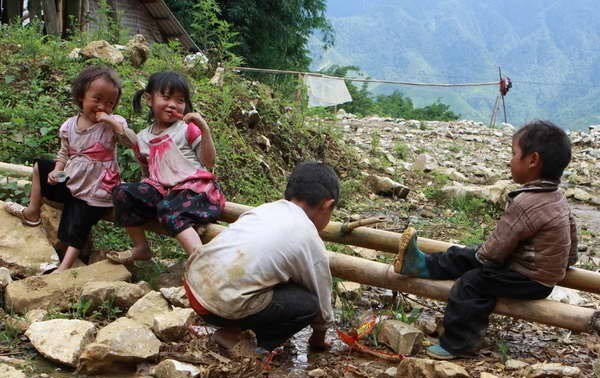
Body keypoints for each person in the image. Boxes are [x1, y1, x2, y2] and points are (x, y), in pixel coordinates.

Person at [394, 120, 578, 360]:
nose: (510, 160)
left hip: (529, 278)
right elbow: (572, 235)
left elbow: (495, 251)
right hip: (538, 276)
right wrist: (566, 263)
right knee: (465, 255)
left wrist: (480, 257)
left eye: (514, 154)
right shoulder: (557, 197)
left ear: (532, 161)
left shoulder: (525, 203)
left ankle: (457, 344)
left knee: (471, 283)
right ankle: (422, 264)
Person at [183, 161, 339, 354]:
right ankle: (243, 342)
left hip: (195, 288)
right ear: (327, 205)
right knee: (308, 304)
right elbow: (321, 301)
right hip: (222, 307)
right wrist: (318, 340)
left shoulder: (265, 209)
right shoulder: (309, 238)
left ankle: (231, 328)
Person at [3, 65, 136, 271]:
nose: (102, 106)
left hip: (97, 187)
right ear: (81, 96)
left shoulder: (113, 124)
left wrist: (111, 122)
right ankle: (32, 211)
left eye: (110, 102)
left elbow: (132, 141)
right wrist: (57, 170)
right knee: (40, 165)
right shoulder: (69, 126)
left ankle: (65, 266)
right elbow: (64, 153)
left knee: (79, 219)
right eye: (97, 99)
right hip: (73, 178)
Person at [108, 71, 225, 263]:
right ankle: (141, 247)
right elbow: (147, 172)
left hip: (195, 190)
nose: (172, 104)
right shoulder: (143, 137)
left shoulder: (187, 129)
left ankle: (201, 261)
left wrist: (205, 129)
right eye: (166, 97)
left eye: (180, 100)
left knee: (169, 208)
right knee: (122, 192)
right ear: (148, 99)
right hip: (163, 191)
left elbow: (209, 162)